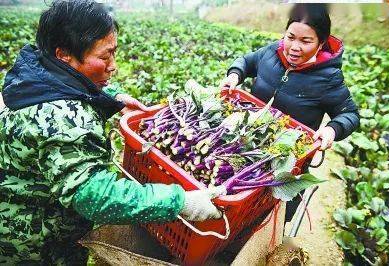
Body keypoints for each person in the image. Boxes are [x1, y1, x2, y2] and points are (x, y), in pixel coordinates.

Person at [0, 1, 225, 264]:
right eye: (105, 57)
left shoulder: (34, 72)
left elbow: (63, 85)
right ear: (64, 55)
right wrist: (180, 202)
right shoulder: (62, 119)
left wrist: (109, 97)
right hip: (32, 243)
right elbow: (94, 196)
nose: (113, 66)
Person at [220, 4, 359, 221]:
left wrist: (332, 130)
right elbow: (246, 61)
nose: (294, 47)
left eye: (306, 41)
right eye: (291, 37)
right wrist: (235, 75)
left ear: (321, 43)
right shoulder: (270, 52)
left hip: (287, 156)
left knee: (275, 208)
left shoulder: (329, 78)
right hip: (249, 142)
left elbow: (349, 114)